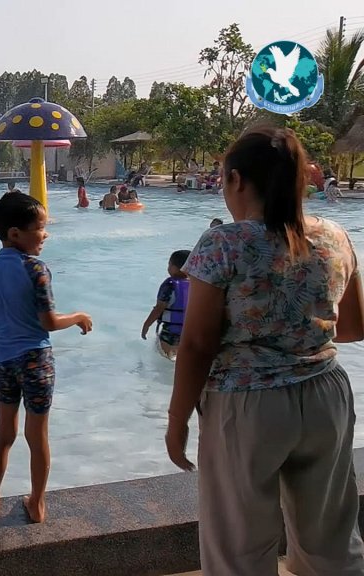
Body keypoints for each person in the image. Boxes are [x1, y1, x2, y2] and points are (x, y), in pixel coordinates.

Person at [165, 127, 364, 575]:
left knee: (239, 548)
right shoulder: (336, 236)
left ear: (235, 179)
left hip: (247, 402)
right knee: (332, 539)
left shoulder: (224, 242)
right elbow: (353, 328)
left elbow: (196, 344)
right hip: (326, 396)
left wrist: (177, 420)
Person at [0, 192, 93, 524]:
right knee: (37, 436)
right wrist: (78, 316)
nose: (45, 234)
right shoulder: (35, 268)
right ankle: (36, 504)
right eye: (40, 228)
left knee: (3, 434)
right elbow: (48, 322)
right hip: (37, 361)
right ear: (15, 233)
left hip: (5, 363)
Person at [140, 250, 191, 359]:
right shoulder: (196, 285)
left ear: (175, 267)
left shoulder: (169, 285)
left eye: (169, 264)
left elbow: (159, 308)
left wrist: (146, 325)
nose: (168, 267)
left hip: (170, 331)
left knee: (166, 358)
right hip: (190, 330)